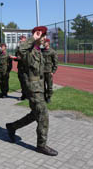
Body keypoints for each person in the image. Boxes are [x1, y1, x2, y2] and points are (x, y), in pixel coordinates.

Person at [6, 26, 58, 156]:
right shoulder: (28, 50)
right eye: (43, 36)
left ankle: (12, 127)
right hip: (32, 88)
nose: (45, 38)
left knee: (35, 115)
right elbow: (20, 49)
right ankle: (41, 145)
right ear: (37, 35)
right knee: (43, 115)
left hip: (39, 87)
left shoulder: (38, 51)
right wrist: (33, 38)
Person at [42, 38, 58, 103]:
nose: (43, 43)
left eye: (45, 42)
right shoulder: (41, 51)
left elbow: (55, 63)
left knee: (49, 86)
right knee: (42, 85)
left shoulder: (52, 52)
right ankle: (44, 96)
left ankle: (49, 97)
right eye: (43, 42)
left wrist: (53, 71)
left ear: (48, 43)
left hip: (49, 71)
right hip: (42, 71)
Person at [14, 35, 29, 100]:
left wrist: (20, 58)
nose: (20, 40)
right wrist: (15, 58)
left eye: (22, 39)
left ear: (25, 40)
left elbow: (28, 57)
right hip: (20, 67)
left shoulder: (28, 48)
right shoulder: (18, 48)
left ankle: (28, 95)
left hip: (26, 67)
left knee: (26, 82)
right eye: (20, 39)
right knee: (21, 81)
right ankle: (23, 95)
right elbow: (16, 57)